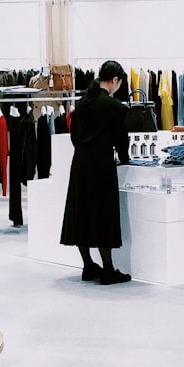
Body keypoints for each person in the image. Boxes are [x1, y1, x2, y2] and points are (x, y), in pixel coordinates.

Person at [60, 60, 132, 284]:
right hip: (101, 166)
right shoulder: (114, 107)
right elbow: (122, 141)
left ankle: (88, 265)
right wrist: (125, 159)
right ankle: (108, 269)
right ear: (115, 81)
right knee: (104, 216)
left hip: (80, 164)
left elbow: (74, 135)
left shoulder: (82, 103)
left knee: (81, 214)